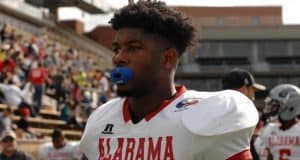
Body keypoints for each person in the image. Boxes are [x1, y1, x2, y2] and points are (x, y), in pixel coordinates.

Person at [80, 1, 258, 159]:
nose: (118, 57)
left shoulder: (208, 114)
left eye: (133, 48)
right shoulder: (101, 120)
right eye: (117, 48)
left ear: (167, 58)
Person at [255, 91, 300, 160]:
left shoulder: (269, 130)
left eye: (276, 106)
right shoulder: (269, 129)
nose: (272, 109)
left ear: (291, 106)